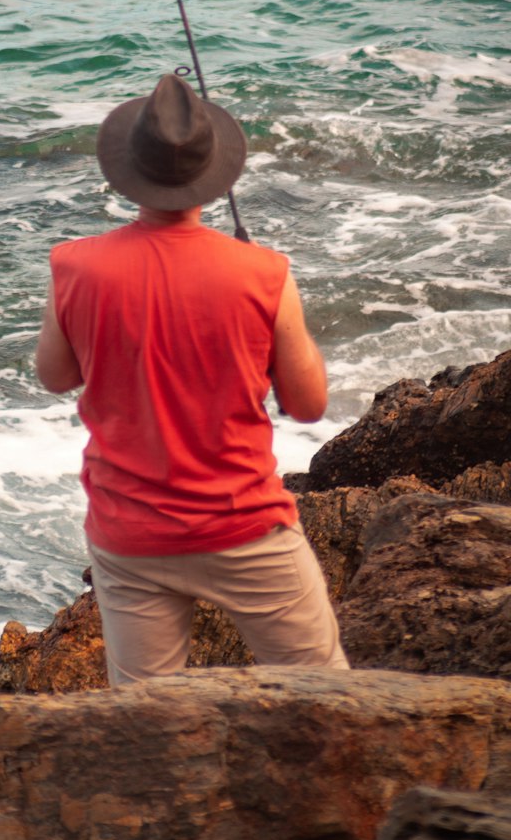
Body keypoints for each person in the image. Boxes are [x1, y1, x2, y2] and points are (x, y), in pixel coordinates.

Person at [35, 72, 349, 686]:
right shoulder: (264, 272)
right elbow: (308, 405)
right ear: (215, 170)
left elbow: (54, 376)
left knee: (148, 718)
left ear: (129, 169)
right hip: (244, 525)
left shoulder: (73, 265)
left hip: (129, 531)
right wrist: (272, 299)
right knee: (329, 694)